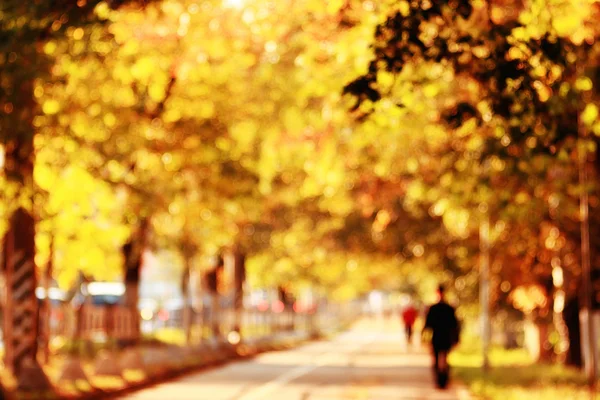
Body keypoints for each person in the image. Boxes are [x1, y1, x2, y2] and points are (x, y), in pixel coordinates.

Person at [423, 284, 459, 389]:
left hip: (438, 337)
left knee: (437, 358)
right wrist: (456, 338)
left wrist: (424, 337)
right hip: (446, 337)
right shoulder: (449, 308)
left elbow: (427, 325)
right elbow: (455, 325)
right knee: (444, 358)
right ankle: (444, 378)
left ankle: (440, 379)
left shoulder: (433, 308)